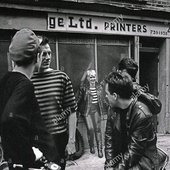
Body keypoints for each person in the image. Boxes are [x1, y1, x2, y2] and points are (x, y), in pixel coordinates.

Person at [0, 28, 59, 169]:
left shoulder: (5, 80)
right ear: (37, 56)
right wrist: (30, 156)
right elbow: (10, 119)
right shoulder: (25, 85)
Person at [104, 70, 167, 170]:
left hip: (143, 159)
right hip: (125, 155)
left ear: (115, 96)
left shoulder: (142, 114)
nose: (105, 96)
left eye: (107, 94)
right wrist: (109, 164)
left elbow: (134, 151)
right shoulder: (112, 109)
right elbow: (109, 138)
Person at [31, 36, 77, 170]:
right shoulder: (26, 80)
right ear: (35, 55)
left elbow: (72, 111)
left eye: (49, 53)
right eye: (43, 54)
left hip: (58, 139)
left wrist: (71, 141)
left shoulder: (61, 77)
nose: (47, 57)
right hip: (35, 140)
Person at [76, 69, 103, 158]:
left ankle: (99, 150)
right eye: (91, 77)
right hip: (87, 111)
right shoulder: (83, 87)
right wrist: (74, 108)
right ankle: (91, 145)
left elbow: (103, 99)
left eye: (94, 77)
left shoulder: (99, 86)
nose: (92, 79)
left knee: (98, 129)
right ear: (87, 78)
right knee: (91, 129)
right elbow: (79, 99)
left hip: (96, 110)